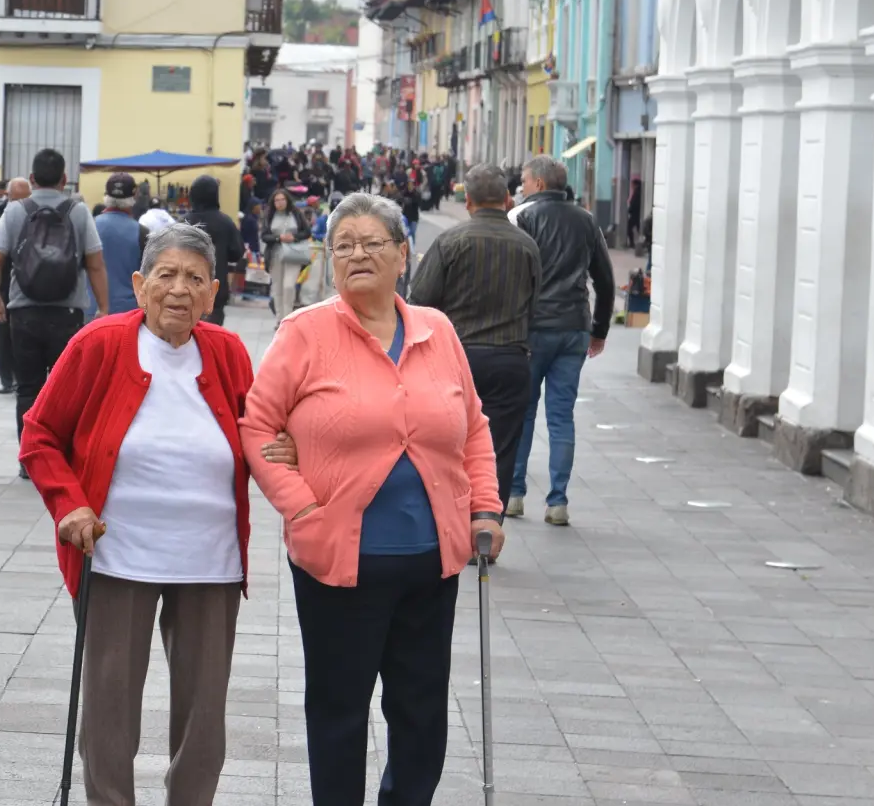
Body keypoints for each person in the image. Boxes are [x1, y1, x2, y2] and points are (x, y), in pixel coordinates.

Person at [241, 192, 503, 806]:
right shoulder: (304, 333)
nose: (357, 254)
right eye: (343, 245)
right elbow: (256, 426)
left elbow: (475, 427)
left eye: (372, 243)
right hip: (339, 563)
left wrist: (485, 508)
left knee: (421, 712)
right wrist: (302, 508)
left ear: (403, 253)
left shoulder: (437, 331)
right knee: (339, 711)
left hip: (431, 561)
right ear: (330, 258)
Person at [20, 224, 255, 806]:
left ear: (214, 292)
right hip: (117, 554)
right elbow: (41, 435)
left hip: (211, 558)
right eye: (166, 275)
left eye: (194, 278)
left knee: (205, 715)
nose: (179, 290)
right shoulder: (99, 345)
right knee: (109, 708)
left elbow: (261, 432)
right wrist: (69, 503)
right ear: (139, 283)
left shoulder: (227, 353)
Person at [409, 164, 540, 513]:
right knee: (501, 448)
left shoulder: (450, 242)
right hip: (510, 359)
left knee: (449, 443)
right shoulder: (527, 246)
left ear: (467, 201)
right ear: (508, 199)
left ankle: (450, 517)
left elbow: (418, 302)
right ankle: (487, 525)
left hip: (454, 358)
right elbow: (536, 305)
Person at [508, 156, 616, 525]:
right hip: (573, 326)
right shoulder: (587, 220)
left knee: (522, 413)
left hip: (532, 328)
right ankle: (558, 501)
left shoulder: (522, 217)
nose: (520, 186)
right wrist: (599, 329)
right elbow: (604, 279)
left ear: (538, 183)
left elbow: (514, 275)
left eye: (523, 180)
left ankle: (514, 494)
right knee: (561, 416)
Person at [0, 148, 108, 440]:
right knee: (66, 388)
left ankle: (29, 456)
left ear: (31, 179)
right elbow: (95, 264)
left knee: (28, 388)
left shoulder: (16, 210)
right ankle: (60, 453)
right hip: (68, 313)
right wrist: (103, 308)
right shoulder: (78, 212)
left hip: (24, 313)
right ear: (65, 179)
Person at [0, 177, 30, 396]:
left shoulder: (36, 213)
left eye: (24, 199)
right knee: (3, 331)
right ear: (7, 196)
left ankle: (23, 377)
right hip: (3, 279)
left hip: (28, 281)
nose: (18, 204)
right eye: (14, 199)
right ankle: (7, 379)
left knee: (23, 332)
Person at [187, 175, 244, 327]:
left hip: (187, 287)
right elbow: (237, 253)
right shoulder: (225, 222)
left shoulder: (184, 222)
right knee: (211, 337)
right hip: (215, 288)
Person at [93, 173, 149, 318]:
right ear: (134, 197)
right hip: (127, 315)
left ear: (106, 195)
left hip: (92, 312)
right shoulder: (142, 233)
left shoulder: (89, 226)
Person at [261, 188, 312, 325]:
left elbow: (307, 232)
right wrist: (278, 238)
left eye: (282, 199)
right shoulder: (269, 215)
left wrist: (294, 237)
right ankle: (279, 319)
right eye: (277, 200)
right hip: (275, 254)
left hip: (293, 254)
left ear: (287, 200)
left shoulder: (296, 213)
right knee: (277, 288)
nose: (280, 203)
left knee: (288, 286)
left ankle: (288, 318)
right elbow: (264, 236)